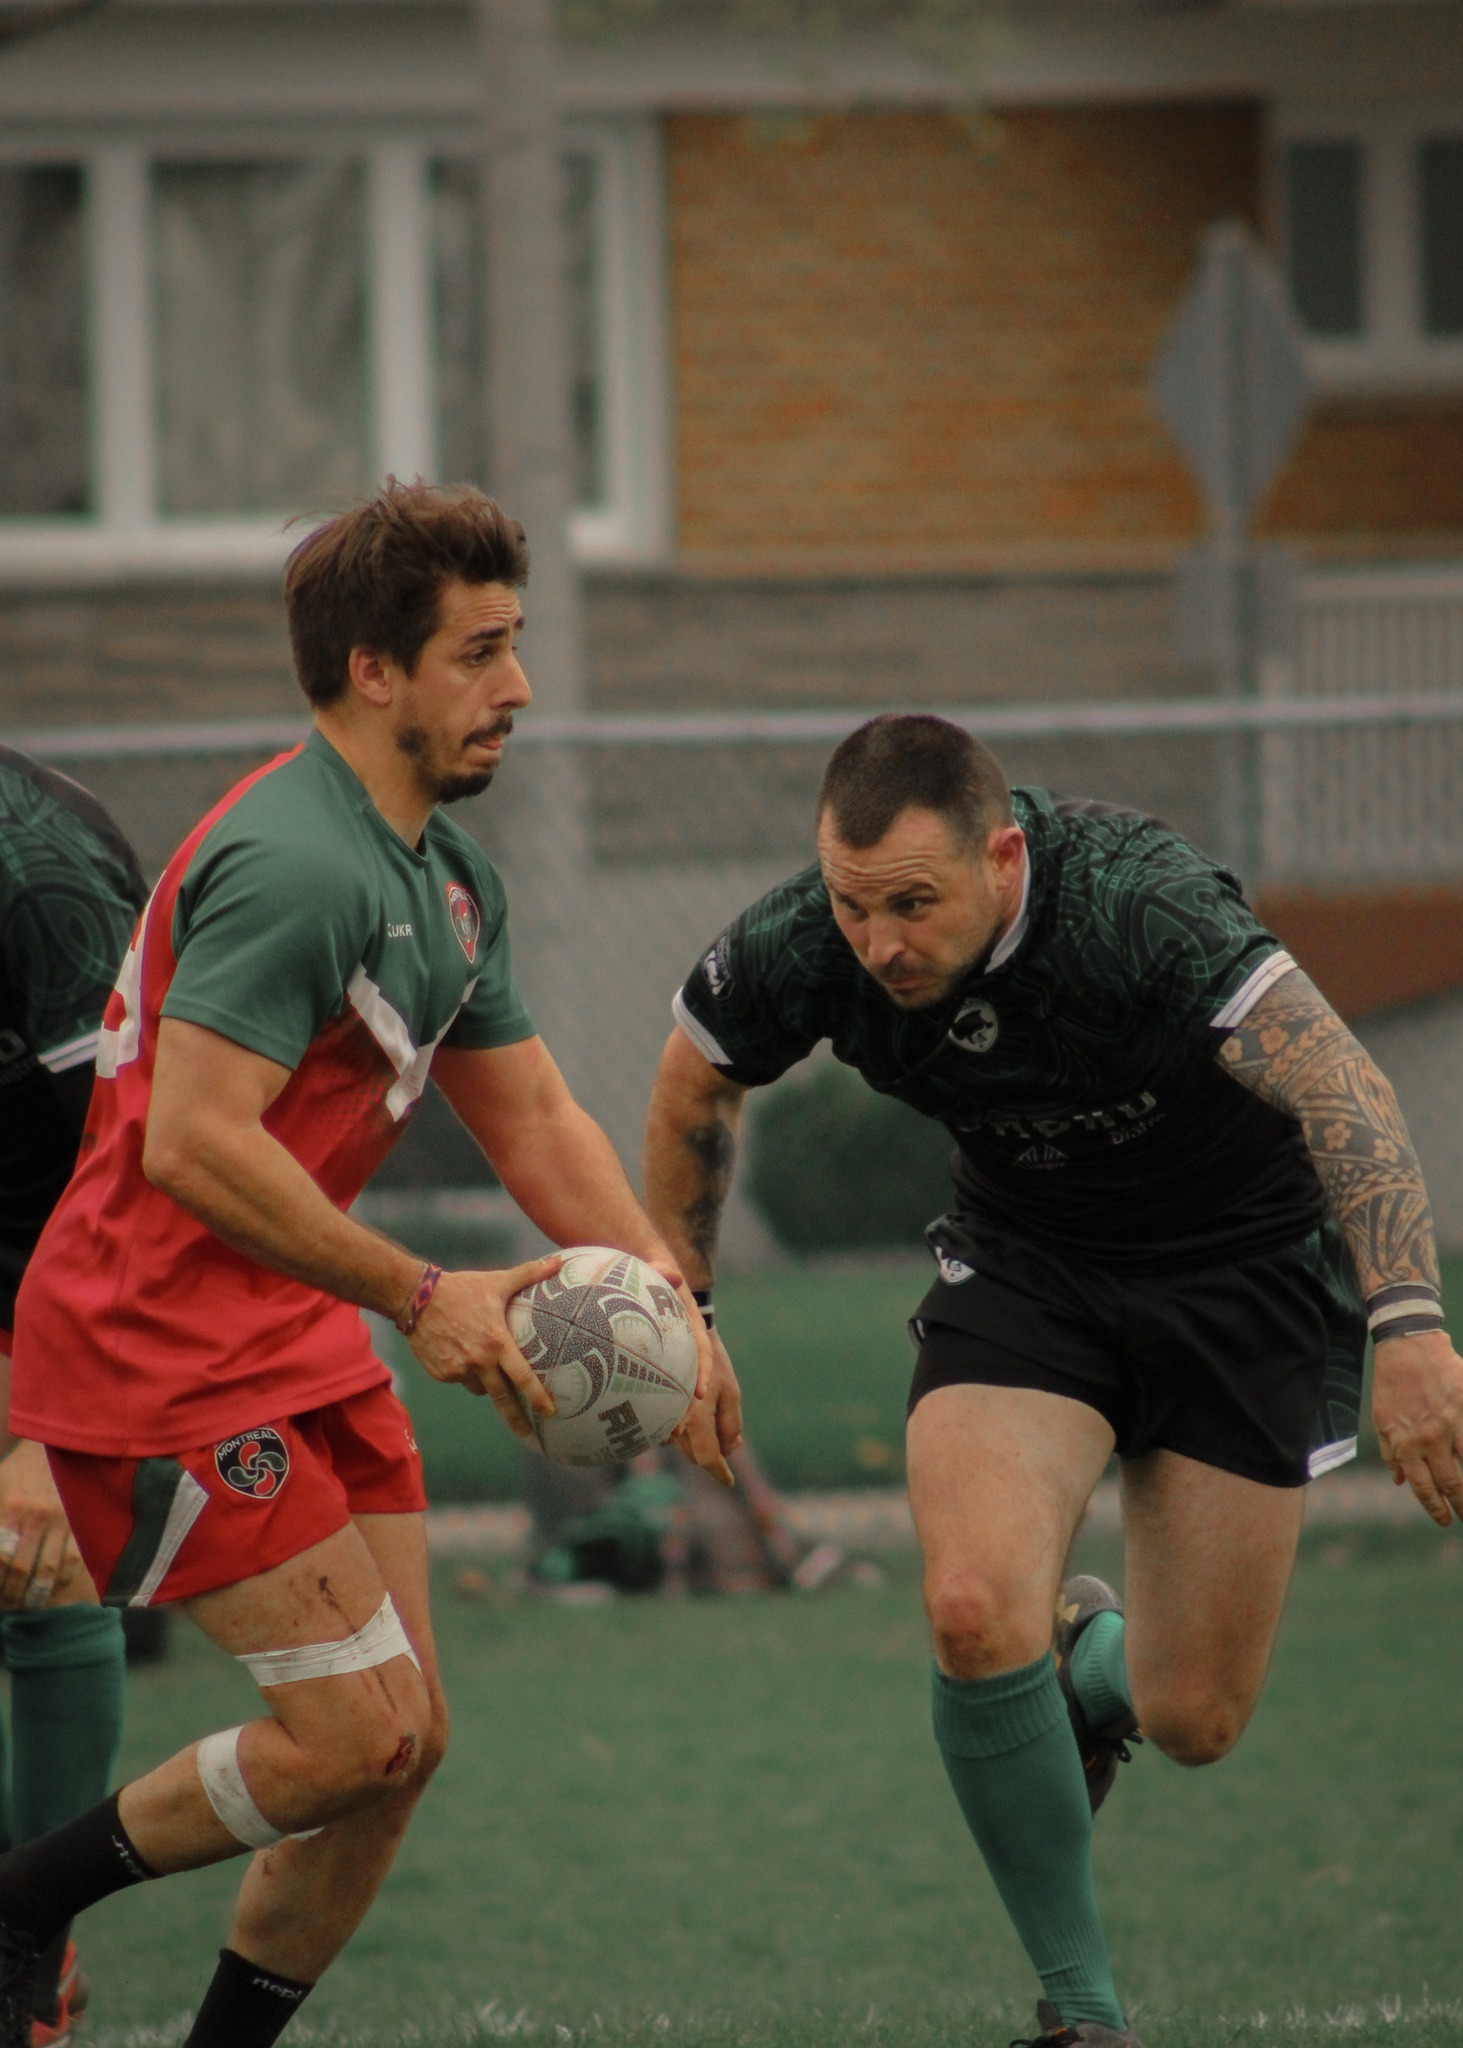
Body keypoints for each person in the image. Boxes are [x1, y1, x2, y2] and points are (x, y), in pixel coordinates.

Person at [0, 482, 719, 2048]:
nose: (518, 688)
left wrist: (676, 1297)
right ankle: (22, 1898)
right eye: (482, 652)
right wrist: (421, 1292)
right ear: (373, 671)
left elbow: (532, 1117)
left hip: (288, 1335)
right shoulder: (293, 861)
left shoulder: (447, 880)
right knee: (343, 1740)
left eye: (515, 646)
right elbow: (192, 1142)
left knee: (407, 1751)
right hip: (151, 1355)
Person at [644, 714, 1463, 2048]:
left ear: (1006, 857)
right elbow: (697, 1077)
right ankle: (1082, 2016)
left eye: (915, 903)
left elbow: (1346, 1093)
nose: (882, 944)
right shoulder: (815, 937)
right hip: (1031, 1270)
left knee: (1193, 1716)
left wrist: (1411, 1326)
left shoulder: (1138, 903)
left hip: (1239, 1274)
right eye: (857, 907)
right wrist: (686, 1309)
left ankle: (1089, 1673)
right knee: (971, 1606)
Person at [0, 744, 148, 2045]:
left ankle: (28, 1942)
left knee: (34, 1573)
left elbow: (121, 1163)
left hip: (32, 1274)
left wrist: (49, 1424)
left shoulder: (40, 865)